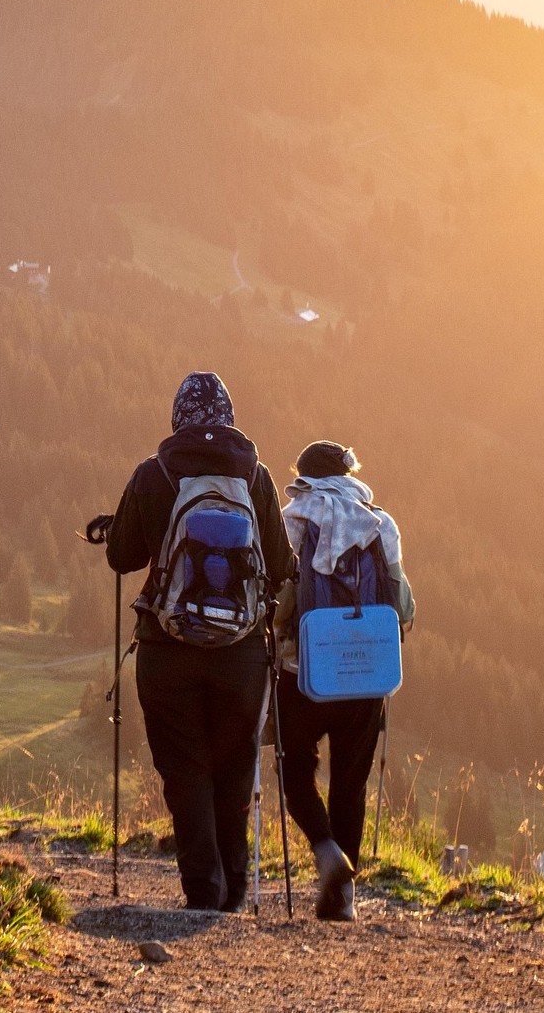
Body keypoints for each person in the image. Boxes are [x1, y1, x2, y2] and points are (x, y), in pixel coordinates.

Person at [105, 372, 295, 912]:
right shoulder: (255, 477)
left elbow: (122, 557)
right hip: (242, 654)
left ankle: (203, 890)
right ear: (228, 418)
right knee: (235, 768)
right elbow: (281, 565)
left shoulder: (154, 473)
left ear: (177, 419)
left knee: (185, 769)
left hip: (167, 651)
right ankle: (233, 891)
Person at [274, 440, 415, 921]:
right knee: (350, 787)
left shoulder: (291, 521)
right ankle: (344, 901)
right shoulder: (379, 523)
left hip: (304, 675)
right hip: (366, 675)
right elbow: (403, 607)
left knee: (295, 771)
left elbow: (276, 602)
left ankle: (325, 848)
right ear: (348, 474)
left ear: (304, 477)